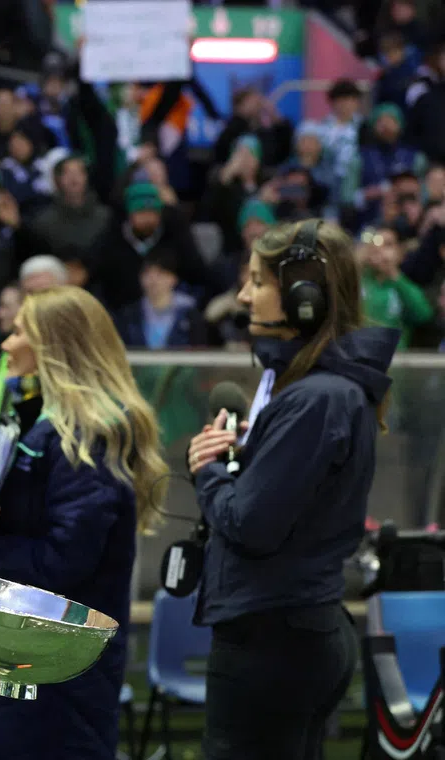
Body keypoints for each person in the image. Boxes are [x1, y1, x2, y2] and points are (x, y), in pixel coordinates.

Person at [187, 219, 401, 760]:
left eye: (257, 281)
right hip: (288, 634)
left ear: (305, 297)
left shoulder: (316, 399)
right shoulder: (312, 391)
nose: (242, 295)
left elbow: (253, 525)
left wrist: (208, 469)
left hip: (273, 644)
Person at [0, 285, 168, 759]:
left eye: (17, 332)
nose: (5, 344)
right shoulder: (51, 423)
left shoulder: (87, 438)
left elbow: (63, 564)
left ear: (53, 346)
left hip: (52, 675)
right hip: (17, 659)